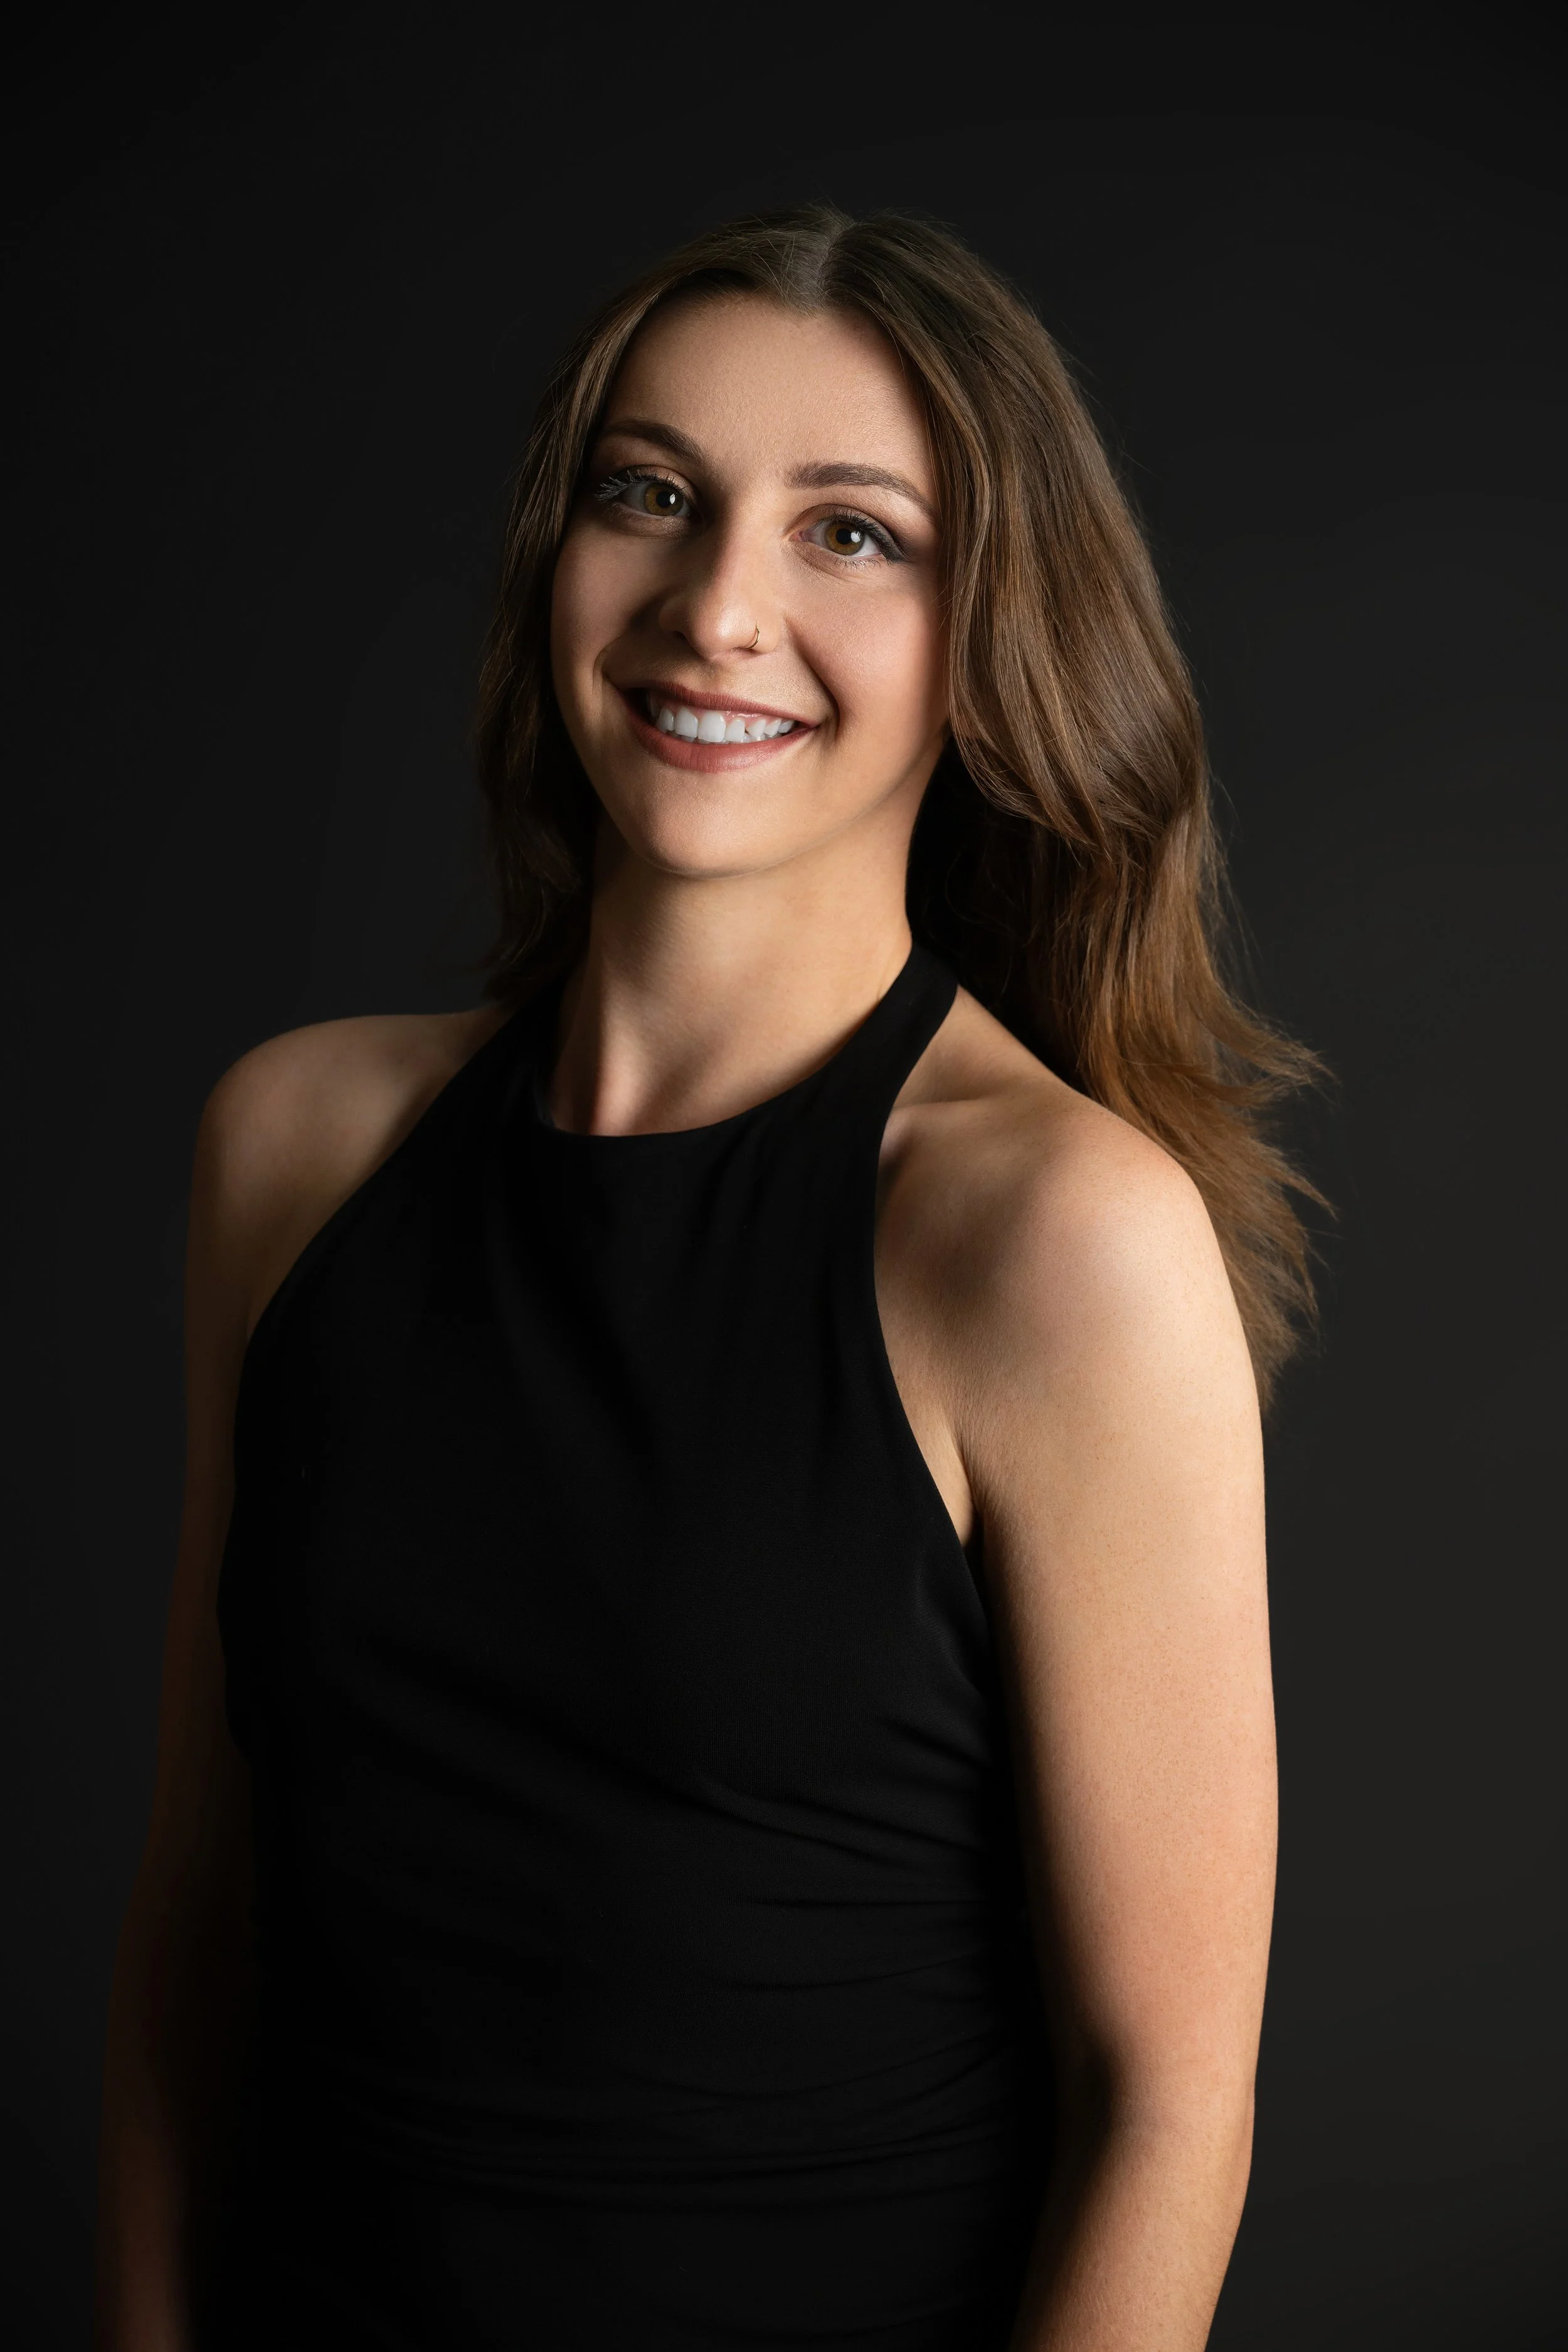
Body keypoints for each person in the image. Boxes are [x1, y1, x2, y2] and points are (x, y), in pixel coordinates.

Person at [94, 203, 1316, 2350]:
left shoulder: (1053, 1237)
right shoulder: (291, 1147)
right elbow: (199, 1926)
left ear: (989, 634)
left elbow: (1167, 2106)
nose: (716, 606)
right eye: (648, 495)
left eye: (852, 534)